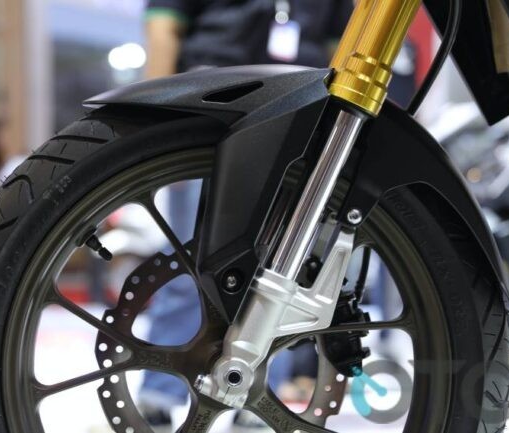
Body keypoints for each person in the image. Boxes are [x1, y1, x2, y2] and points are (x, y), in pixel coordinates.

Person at [139, 1, 355, 430]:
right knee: (189, 261)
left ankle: (258, 393)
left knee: (280, 266)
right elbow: (163, 27)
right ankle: (161, 389)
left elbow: (344, 45)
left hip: (301, 103)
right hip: (211, 100)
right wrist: (156, 129)